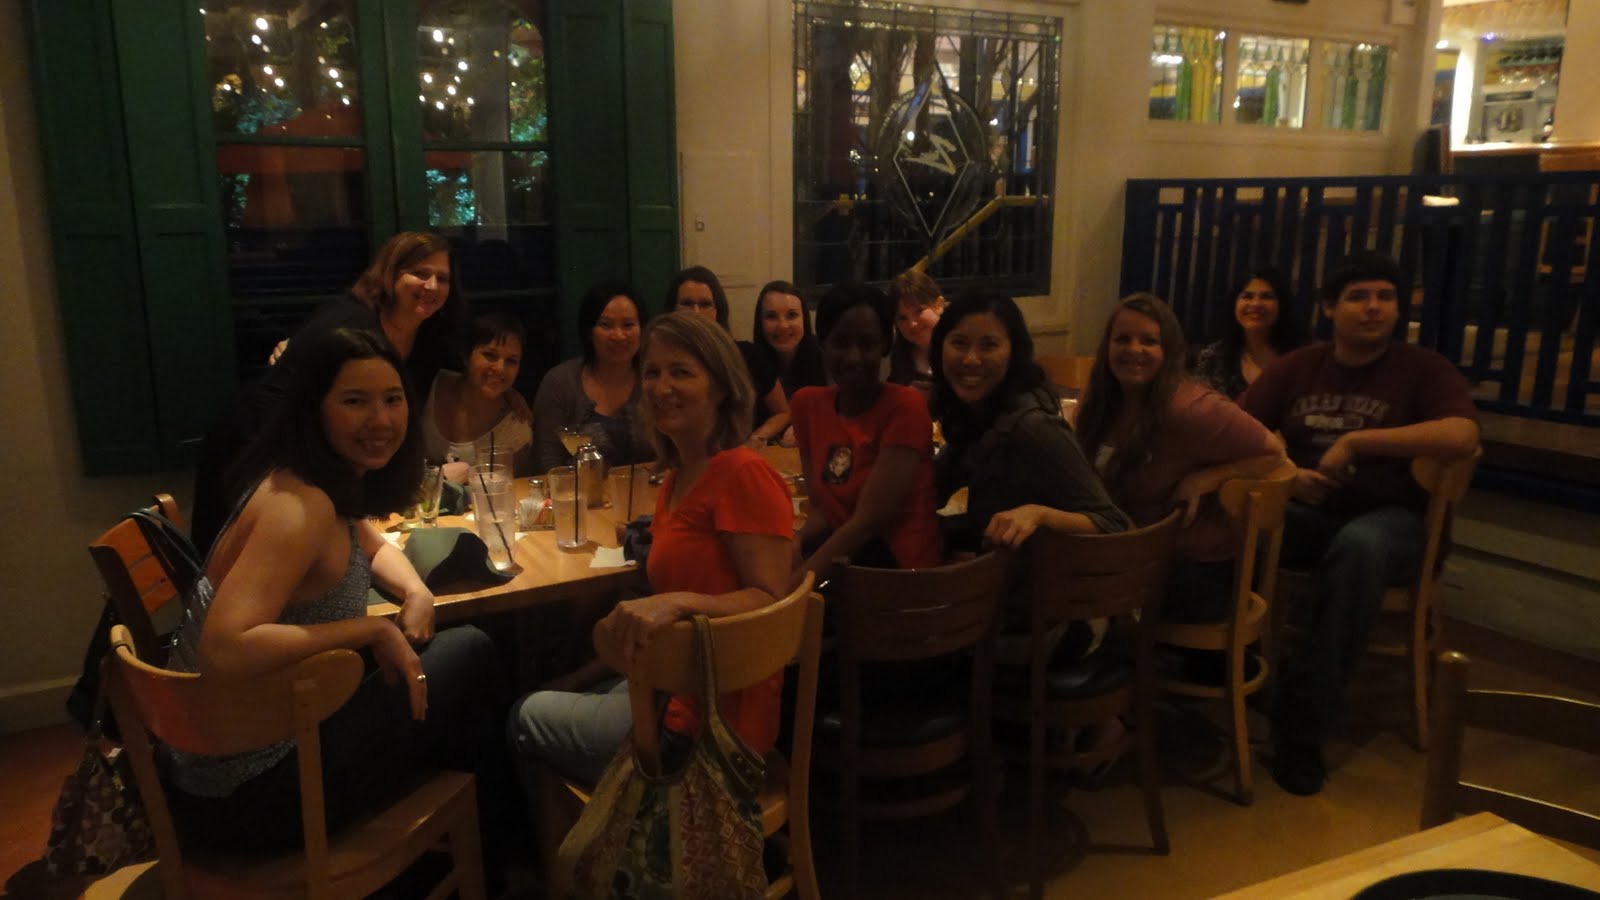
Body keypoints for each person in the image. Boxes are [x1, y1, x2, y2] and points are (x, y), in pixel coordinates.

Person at [162, 328, 510, 861]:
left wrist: (416, 591)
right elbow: (224, 646)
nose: (381, 420)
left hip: (224, 766)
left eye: (392, 399)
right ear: (313, 409)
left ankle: (457, 850)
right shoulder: (300, 509)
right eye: (355, 401)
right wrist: (372, 629)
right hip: (249, 794)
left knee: (441, 665)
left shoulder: (307, 479)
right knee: (474, 651)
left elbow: (371, 545)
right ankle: (489, 855)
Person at [509, 310, 794, 787]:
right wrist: (581, 677)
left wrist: (676, 602)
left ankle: (625, 828)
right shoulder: (678, 477)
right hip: (672, 689)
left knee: (522, 715)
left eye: (681, 372)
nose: (661, 387)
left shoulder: (743, 474)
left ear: (722, 387)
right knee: (559, 682)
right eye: (653, 373)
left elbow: (770, 601)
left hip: (714, 729)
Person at [1238, 252, 1479, 797]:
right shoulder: (1299, 366)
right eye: (1358, 297)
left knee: (1359, 550)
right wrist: (1285, 472)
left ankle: (1301, 727)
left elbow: (1462, 435)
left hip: (1394, 521)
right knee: (1240, 518)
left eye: (1385, 297)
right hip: (1312, 510)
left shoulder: (1423, 369)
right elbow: (1236, 427)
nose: (1374, 308)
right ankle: (1223, 666)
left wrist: (1356, 441)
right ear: (1329, 307)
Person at [192, 231, 471, 554]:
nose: (432, 286)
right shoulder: (349, 322)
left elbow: (466, 379)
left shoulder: (428, 339)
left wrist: (510, 398)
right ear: (391, 274)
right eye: (420, 273)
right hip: (254, 446)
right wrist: (303, 475)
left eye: (442, 278)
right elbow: (276, 400)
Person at [1076, 294, 1285, 624]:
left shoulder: (1193, 409)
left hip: (1194, 569)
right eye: (1122, 339)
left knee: (1068, 584)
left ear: (1169, 350)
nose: (1134, 349)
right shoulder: (1100, 401)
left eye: (1149, 341)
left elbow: (1273, 452)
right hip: (1131, 551)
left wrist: (1204, 479)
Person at [932, 292, 1130, 632]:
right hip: (1003, 600)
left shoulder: (1032, 427)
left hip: (1049, 622)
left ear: (1014, 353)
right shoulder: (975, 415)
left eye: (989, 345)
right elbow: (933, 486)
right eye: (959, 343)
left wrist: (1038, 514)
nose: (971, 359)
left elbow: (1115, 525)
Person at [791, 283, 941, 583]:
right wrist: (790, 546)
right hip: (846, 562)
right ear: (822, 344)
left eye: (867, 344)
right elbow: (824, 509)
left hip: (902, 577)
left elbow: (868, 523)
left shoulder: (905, 407)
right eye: (840, 342)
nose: (854, 357)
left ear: (885, 344)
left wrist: (791, 590)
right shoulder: (807, 405)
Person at [531, 282, 653, 473]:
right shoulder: (560, 383)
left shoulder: (655, 381)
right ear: (589, 331)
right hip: (578, 491)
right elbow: (548, 464)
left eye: (628, 325)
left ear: (642, 329)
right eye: (606, 325)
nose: (618, 335)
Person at [667, 265, 792, 447]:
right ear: (672, 310)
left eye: (705, 304)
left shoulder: (748, 355)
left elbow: (782, 412)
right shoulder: (664, 364)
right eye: (686, 303)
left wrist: (757, 438)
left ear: (717, 310)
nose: (696, 312)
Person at [421, 312, 534, 475]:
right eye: (490, 355)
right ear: (466, 356)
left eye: (511, 361)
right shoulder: (431, 385)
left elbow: (514, 486)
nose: (500, 368)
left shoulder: (516, 427)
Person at [1192, 267, 1307, 398]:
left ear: (1282, 305)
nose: (1256, 304)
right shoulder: (1214, 357)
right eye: (1247, 296)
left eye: (1267, 297)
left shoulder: (1303, 357)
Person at [749, 279, 828, 446]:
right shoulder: (751, 362)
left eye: (791, 315)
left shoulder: (825, 355)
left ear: (804, 319)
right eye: (771, 316)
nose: (783, 326)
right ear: (760, 323)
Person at [887, 269, 947, 395]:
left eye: (919, 311)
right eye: (902, 318)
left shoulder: (959, 348)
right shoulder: (897, 356)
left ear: (939, 305)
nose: (912, 324)